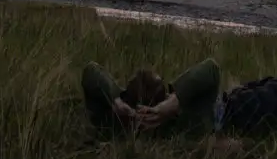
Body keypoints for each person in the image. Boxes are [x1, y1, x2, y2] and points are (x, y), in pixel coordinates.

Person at [81, 58, 277, 140]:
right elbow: (91, 71)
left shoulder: (182, 110)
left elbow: (212, 68)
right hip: (268, 104)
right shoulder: (189, 120)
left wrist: (174, 101)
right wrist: (116, 102)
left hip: (252, 96)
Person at [81, 58, 222, 137]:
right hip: (225, 109)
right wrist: (175, 102)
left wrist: (115, 101)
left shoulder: (109, 120)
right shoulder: (185, 122)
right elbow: (211, 68)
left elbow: (91, 70)